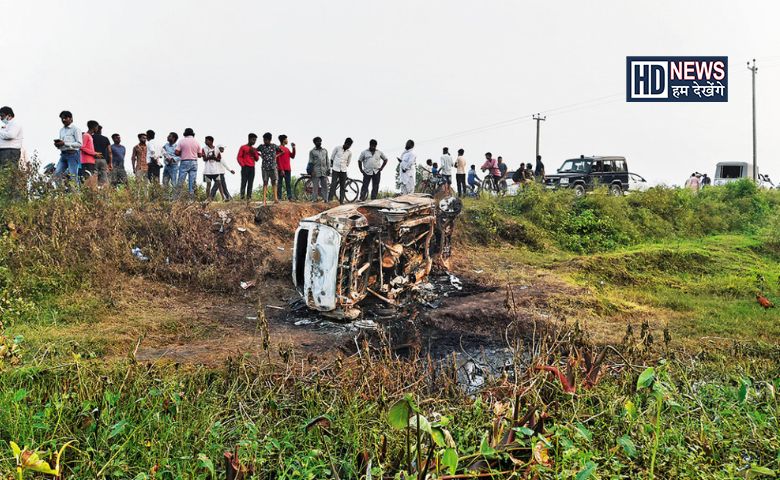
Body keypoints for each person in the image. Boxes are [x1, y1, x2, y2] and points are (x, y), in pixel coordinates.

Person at [54, 111, 83, 187]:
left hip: (73, 155)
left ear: (71, 119)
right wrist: (58, 145)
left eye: (65, 118)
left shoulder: (76, 129)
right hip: (63, 155)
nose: (63, 120)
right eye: (62, 118)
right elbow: (62, 142)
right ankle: (61, 193)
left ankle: (76, 196)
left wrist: (65, 144)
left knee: (73, 176)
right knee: (57, 174)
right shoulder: (61, 130)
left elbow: (80, 144)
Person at [175, 127, 202, 196]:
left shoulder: (181, 141)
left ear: (185, 133)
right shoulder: (197, 142)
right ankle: (191, 198)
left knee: (181, 180)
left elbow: (176, 152)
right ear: (193, 134)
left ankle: (177, 197)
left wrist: (183, 153)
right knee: (192, 181)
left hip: (185, 161)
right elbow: (200, 155)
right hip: (194, 162)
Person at [0, 106, 23, 176]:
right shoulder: (7, 125)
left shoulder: (15, 124)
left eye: (2, 116)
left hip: (10, 151)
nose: (1, 118)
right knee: (4, 172)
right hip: (4, 151)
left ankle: (10, 187)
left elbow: (11, 135)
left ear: (9, 115)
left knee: (9, 173)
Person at [257, 132, 279, 206]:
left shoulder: (274, 146)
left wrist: (275, 156)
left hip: (273, 167)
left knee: (274, 182)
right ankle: (264, 200)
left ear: (270, 140)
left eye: (266, 140)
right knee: (265, 183)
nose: (264, 141)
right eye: (264, 140)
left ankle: (275, 199)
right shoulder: (261, 147)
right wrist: (260, 155)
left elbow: (282, 151)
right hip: (264, 167)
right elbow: (255, 151)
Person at [329, 137, 353, 203]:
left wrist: (344, 166)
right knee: (333, 184)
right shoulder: (337, 148)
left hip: (343, 170)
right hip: (335, 169)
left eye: (350, 146)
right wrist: (331, 166)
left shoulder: (349, 153)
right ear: (345, 143)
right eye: (348, 145)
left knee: (343, 186)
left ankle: (341, 201)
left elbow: (348, 162)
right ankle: (330, 199)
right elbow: (332, 158)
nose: (348, 147)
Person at [202, 136, 227, 201]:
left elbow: (219, 159)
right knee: (208, 185)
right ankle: (208, 199)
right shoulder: (204, 149)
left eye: (206, 140)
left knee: (219, 184)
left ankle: (223, 198)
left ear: (211, 141)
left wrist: (214, 157)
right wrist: (210, 157)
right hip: (207, 170)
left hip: (215, 170)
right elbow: (204, 159)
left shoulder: (216, 149)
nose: (205, 142)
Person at [237, 133, 259, 200]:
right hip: (245, 167)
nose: (254, 141)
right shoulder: (243, 147)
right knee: (243, 182)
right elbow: (239, 157)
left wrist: (254, 153)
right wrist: (243, 165)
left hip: (252, 168)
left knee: (250, 183)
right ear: (249, 139)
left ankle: (249, 198)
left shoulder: (254, 149)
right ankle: (242, 198)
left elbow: (257, 159)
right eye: (253, 140)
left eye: (255, 140)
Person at [308, 136, 329, 202]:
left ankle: (325, 199)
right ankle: (314, 199)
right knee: (315, 186)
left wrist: (328, 169)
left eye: (320, 141)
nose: (319, 142)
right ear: (314, 143)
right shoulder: (312, 151)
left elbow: (327, 161)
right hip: (316, 171)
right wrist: (312, 171)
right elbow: (310, 162)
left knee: (325, 186)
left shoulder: (325, 151)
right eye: (317, 141)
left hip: (324, 170)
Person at [275, 134, 296, 201]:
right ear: (283, 140)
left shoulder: (287, 149)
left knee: (288, 184)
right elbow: (278, 160)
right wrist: (281, 169)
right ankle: (279, 198)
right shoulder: (279, 148)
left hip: (288, 169)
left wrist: (293, 148)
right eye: (286, 139)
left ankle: (290, 197)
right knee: (280, 184)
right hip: (281, 169)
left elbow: (292, 156)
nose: (287, 140)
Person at [80, 121, 99, 186]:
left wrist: (95, 154)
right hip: (86, 162)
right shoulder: (86, 135)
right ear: (94, 127)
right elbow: (82, 147)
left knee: (91, 180)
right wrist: (94, 153)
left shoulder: (90, 136)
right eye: (97, 127)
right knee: (87, 180)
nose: (97, 129)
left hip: (91, 162)